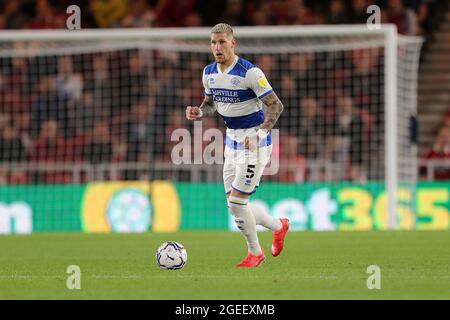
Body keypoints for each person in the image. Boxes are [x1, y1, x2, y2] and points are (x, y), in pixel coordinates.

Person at [185, 23, 289, 268]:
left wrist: (260, 134)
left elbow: (276, 106)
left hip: (254, 143)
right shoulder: (208, 72)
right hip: (231, 143)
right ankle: (279, 226)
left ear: (233, 43)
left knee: (237, 203)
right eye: (213, 42)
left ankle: (256, 253)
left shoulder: (249, 73)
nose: (217, 47)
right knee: (236, 207)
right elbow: (211, 104)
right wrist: (199, 112)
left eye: (222, 42)